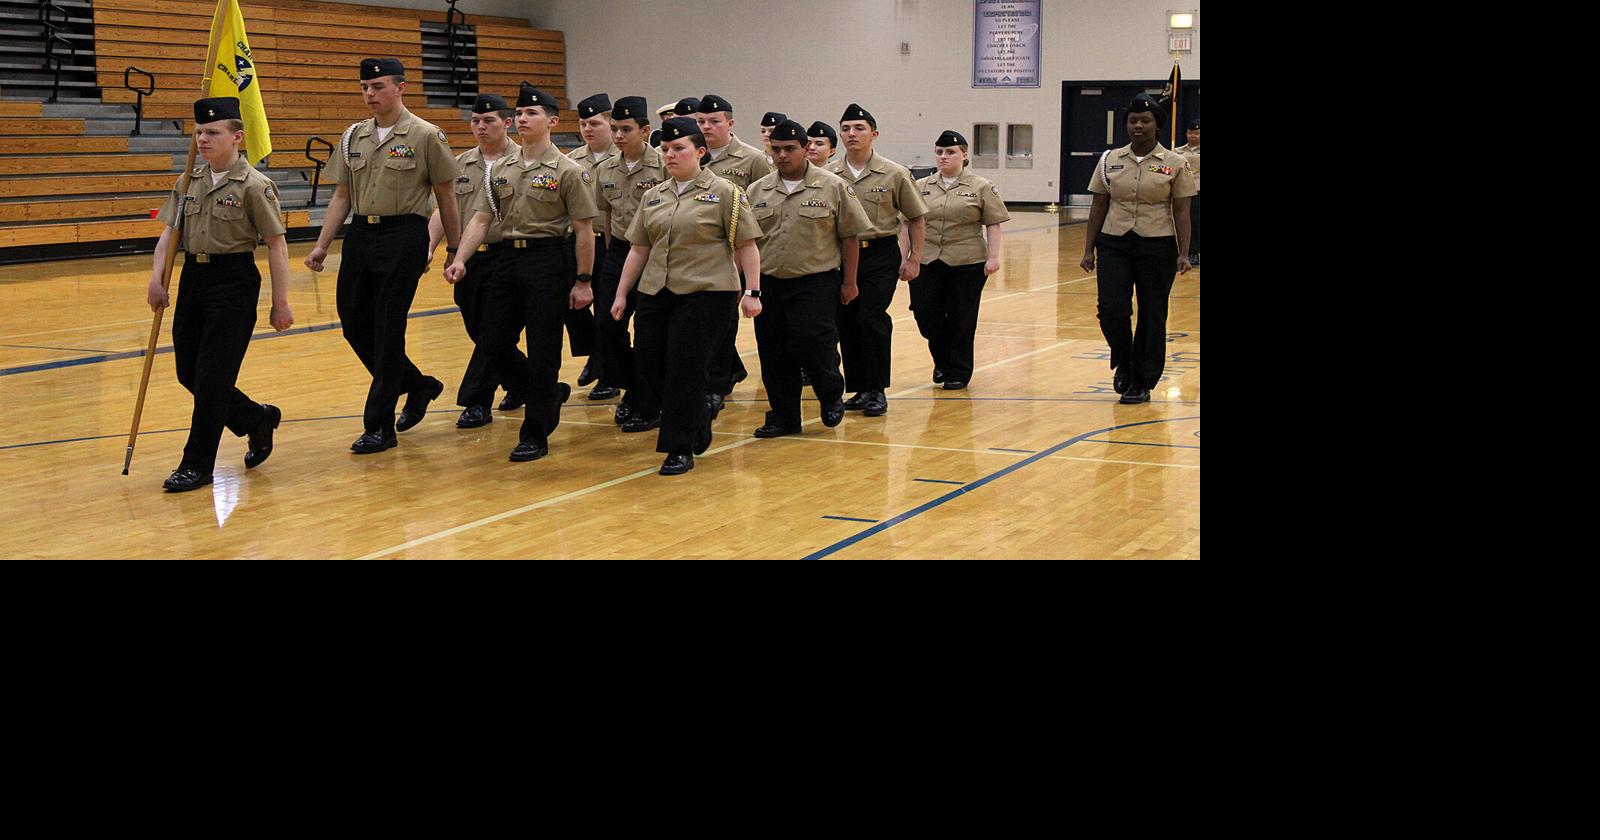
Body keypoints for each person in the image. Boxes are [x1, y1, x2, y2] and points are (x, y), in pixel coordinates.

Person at [305, 58, 462, 454]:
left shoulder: (427, 135)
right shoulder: (352, 136)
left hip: (404, 235)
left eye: (377, 86)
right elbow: (341, 196)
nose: (369, 94)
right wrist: (323, 245)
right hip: (361, 235)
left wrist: (454, 249)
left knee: (389, 328)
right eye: (364, 88)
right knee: (354, 323)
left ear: (400, 88)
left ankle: (379, 426)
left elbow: (446, 197)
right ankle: (417, 384)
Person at [146, 96, 294, 492]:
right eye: (198, 132)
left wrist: (280, 303)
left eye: (212, 132)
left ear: (237, 137)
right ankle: (254, 418)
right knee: (188, 373)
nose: (203, 139)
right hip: (194, 277)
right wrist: (157, 278)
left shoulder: (255, 186)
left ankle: (197, 464)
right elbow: (169, 233)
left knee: (212, 380)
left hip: (234, 282)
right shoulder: (188, 180)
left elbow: (276, 245)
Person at [446, 83, 599, 462]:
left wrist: (583, 281)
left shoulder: (568, 170)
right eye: (520, 113)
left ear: (552, 121)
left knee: (544, 349)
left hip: (547, 262)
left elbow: (583, 229)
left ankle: (535, 432)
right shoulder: (501, 169)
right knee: (492, 343)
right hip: (506, 261)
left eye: (532, 113)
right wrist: (460, 258)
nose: (523, 119)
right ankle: (546, 395)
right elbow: (481, 218)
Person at [608, 117, 763, 476]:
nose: (670, 155)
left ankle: (678, 447)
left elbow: (747, 245)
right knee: (649, 363)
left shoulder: (725, 193)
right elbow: (638, 249)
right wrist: (621, 293)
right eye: (664, 149)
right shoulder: (654, 195)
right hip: (656, 291)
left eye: (679, 148)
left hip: (707, 293)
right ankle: (696, 419)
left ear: (700, 151)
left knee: (685, 367)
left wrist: (752, 291)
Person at [746, 119, 868, 437]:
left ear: (805, 148)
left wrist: (850, 282)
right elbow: (745, 243)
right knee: (773, 350)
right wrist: (748, 287)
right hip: (769, 282)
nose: (783, 155)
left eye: (790, 149)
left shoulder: (832, 186)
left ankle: (829, 393)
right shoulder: (757, 191)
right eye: (777, 149)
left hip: (815, 281)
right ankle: (784, 415)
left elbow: (850, 237)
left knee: (814, 343)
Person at [1079, 93, 1195, 404]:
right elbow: (1099, 204)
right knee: (1111, 310)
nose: (1138, 126)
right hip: (1115, 240)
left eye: (1145, 121)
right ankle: (1124, 358)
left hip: (1157, 244)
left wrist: (1184, 253)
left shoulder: (1174, 163)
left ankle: (1142, 380)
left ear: (1158, 125)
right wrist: (1089, 249)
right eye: (1132, 121)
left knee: (1152, 313)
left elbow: (1182, 211)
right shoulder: (1110, 160)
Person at [425, 93, 524, 428]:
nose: (480, 127)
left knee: (494, 331)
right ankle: (524, 382)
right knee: (479, 329)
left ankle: (476, 400)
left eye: (489, 121)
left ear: (507, 122)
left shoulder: (523, 161)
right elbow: (443, 209)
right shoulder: (461, 164)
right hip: (469, 259)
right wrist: (429, 247)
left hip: (508, 256)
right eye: (475, 121)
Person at [827, 103, 928, 417]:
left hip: (880, 252)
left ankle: (876, 389)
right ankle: (858, 388)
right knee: (846, 321)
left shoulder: (894, 173)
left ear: (874, 133)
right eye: (845, 129)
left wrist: (914, 259)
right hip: (842, 255)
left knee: (870, 318)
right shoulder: (829, 174)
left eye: (859, 128)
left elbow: (916, 217)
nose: (851, 134)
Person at [911, 130, 1009, 391]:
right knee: (926, 314)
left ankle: (956, 370)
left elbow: (994, 223)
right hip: (928, 260)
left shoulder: (981, 186)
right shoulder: (921, 187)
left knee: (961, 318)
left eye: (951, 152)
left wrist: (993, 258)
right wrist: (906, 258)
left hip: (967, 261)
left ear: (964, 155)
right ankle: (942, 358)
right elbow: (908, 224)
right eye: (940, 152)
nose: (944, 157)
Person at [592, 95, 666, 432]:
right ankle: (633, 386)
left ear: (645, 130)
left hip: (656, 255)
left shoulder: (663, 165)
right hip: (620, 252)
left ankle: (648, 401)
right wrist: (609, 253)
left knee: (649, 334)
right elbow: (607, 214)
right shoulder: (605, 168)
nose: (619, 136)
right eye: (615, 129)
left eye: (626, 129)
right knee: (608, 326)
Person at [694, 95, 772, 403]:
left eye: (714, 121)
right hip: (697, 253)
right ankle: (723, 373)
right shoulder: (691, 154)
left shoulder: (752, 159)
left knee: (724, 323)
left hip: (736, 250)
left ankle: (717, 386)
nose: (706, 127)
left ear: (730, 123)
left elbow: (767, 205)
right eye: (701, 121)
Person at [566, 92, 617, 394]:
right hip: (578, 244)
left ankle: (608, 371)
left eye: (595, 123)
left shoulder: (623, 158)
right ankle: (596, 354)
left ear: (610, 123)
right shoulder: (572, 161)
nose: (587, 129)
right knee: (570, 304)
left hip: (610, 244)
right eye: (584, 124)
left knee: (607, 312)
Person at [1174, 117, 1200, 265]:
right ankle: (1190, 252)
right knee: (1187, 221)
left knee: (1197, 222)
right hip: (1184, 191)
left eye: (1196, 133)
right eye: (1190, 133)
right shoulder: (1178, 151)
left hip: (1198, 190)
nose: (1192, 136)